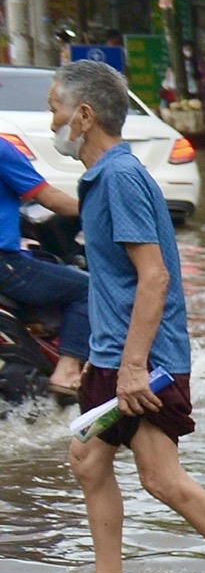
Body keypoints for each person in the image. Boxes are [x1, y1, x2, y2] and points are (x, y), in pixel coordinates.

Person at [50, 60, 205, 573]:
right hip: (114, 355)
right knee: (88, 459)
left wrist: (134, 367)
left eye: (55, 109)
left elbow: (153, 278)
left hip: (143, 360)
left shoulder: (122, 178)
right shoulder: (104, 177)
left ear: (84, 116)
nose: (51, 122)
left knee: (160, 477)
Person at [0, 134, 92, 397]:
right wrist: (97, 208)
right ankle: (67, 371)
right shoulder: (3, 150)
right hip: (6, 266)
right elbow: (50, 199)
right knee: (88, 288)